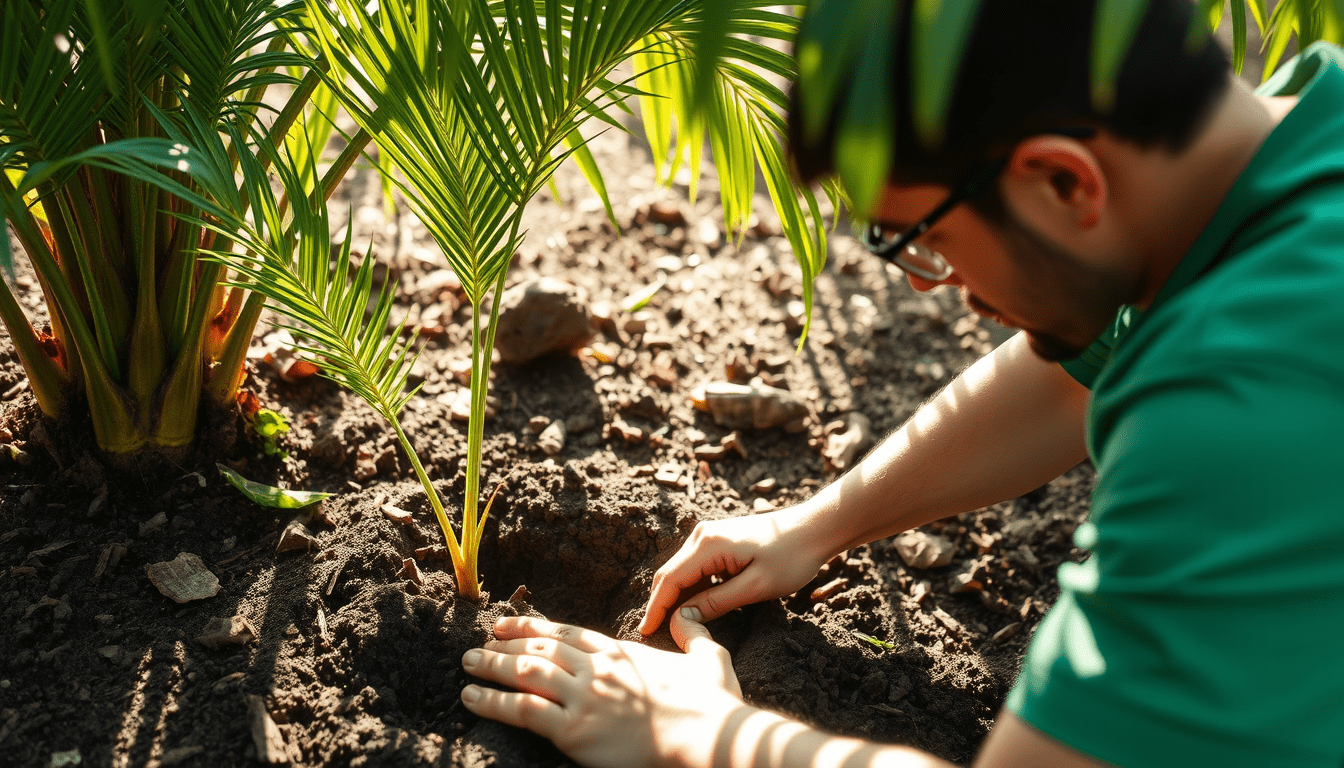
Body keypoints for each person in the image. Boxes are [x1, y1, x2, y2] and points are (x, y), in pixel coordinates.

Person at [456, 1, 1344, 765]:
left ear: (1064, 179)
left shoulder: (1243, 405)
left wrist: (696, 731)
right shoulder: (1299, 135)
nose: (926, 280)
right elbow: (1085, 369)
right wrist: (816, 524)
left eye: (921, 234)